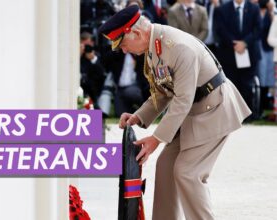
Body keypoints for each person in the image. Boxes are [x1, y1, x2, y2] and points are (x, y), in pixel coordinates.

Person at [98, 5, 251, 220]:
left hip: (213, 110)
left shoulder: (178, 47)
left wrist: (156, 138)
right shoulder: (154, 47)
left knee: (188, 173)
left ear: (136, 33)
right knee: (166, 167)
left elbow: (182, 99)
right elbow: (163, 92)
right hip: (193, 112)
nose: (123, 50)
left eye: (123, 43)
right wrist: (139, 116)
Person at [215, 0, 262, 120]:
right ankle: (232, 116)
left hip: (250, 54)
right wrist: (234, 43)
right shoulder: (222, 9)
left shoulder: (254, 8)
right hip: (229, 55)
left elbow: (258, 29)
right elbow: (220, 29)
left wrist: (244, 43)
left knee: (247, 85)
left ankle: (247, 115)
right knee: (231, 85)